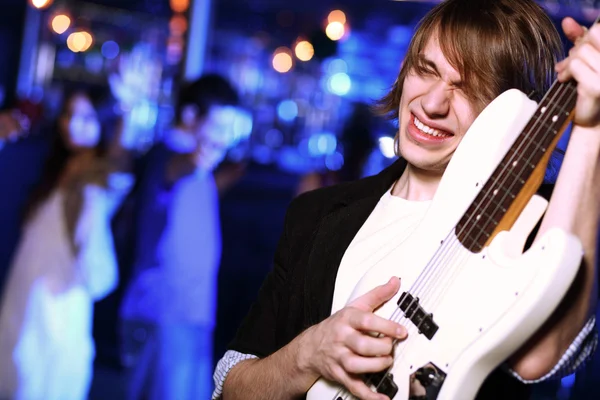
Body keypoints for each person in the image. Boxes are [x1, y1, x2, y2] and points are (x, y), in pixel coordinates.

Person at [213, 1, 600, 399]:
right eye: (426, 70)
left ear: (511, 115)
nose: (432, 104)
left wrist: (591, 126)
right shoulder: (315, 215)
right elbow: (233, 388)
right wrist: (308, 354)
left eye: (469, 90)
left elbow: (546, 356)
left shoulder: (536, 227)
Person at [0, 83, 138, 400]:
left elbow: (118, 171)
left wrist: (126, 117)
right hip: (25, 296)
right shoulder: (54, 166)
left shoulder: (100, 179)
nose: (72, 125)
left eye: (87, 118)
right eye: (69, 114)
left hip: (60, 304)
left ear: (103, 122)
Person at [119, 73, 241, 400]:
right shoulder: (169, 155)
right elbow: (176, 169)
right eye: (217, 127)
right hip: (163, 310)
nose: (224, 139)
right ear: (190, 116)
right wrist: (198, 160)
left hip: (190, 311)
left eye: (229, 129)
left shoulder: (200, 164)